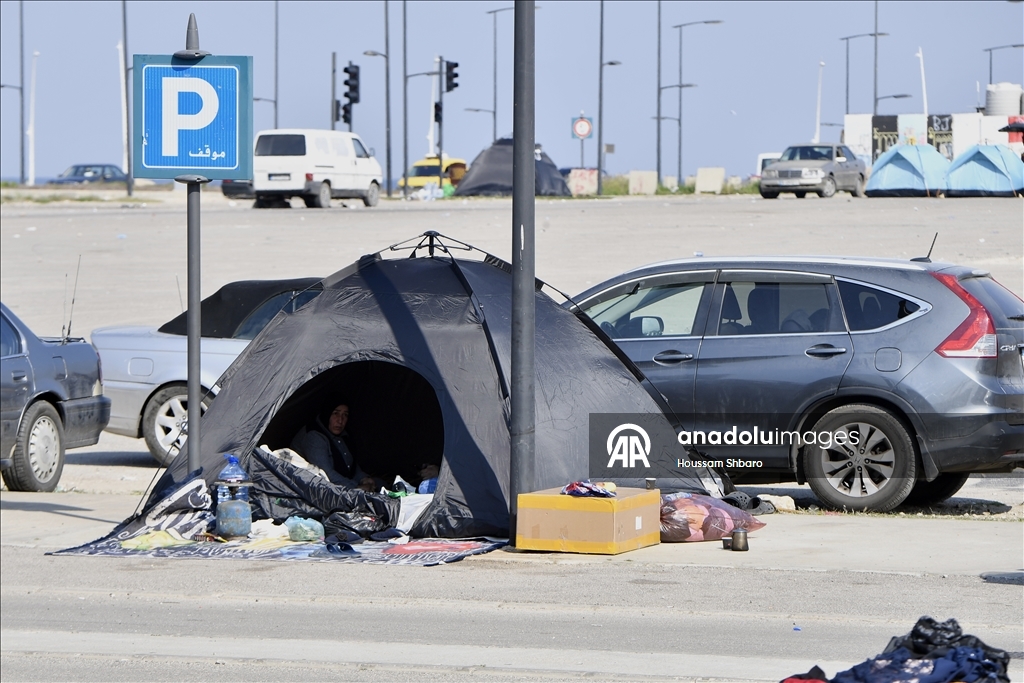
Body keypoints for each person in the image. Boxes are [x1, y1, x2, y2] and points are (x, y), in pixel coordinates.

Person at [291, 402, 376, 492]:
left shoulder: (343, 435)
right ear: (327, 413)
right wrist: (356, 488)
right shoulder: (313, 436)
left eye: (345, 415)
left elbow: (350, 465)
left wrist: (363, 478)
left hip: (343, 485)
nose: (340, 420)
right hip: (315, 490)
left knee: (380, 484)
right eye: (336, 413)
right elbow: (326, 475)